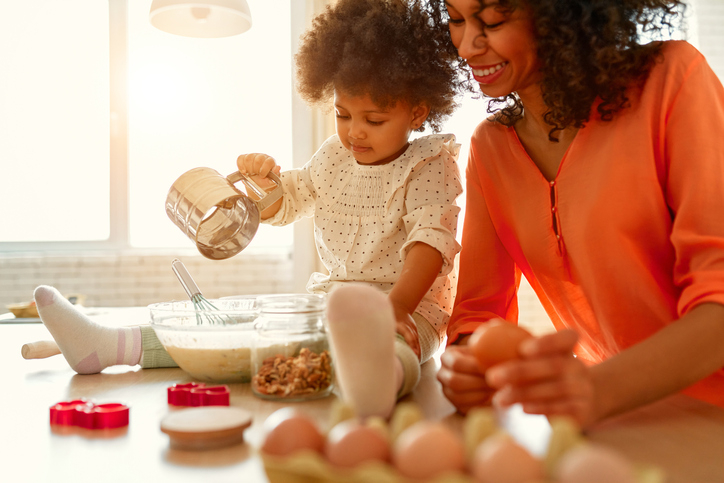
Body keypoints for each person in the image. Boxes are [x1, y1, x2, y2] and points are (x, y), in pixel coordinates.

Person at [31, 0, 466, 420]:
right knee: (246, 331)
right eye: (342, 113)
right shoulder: (335, 155)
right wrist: (266, 184)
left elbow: (431, 241)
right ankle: (108, 345)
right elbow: (291, 201)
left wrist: (396, 306)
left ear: (417, 111)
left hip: (407, 310)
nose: (355, 132)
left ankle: (375, 384)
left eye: (374, 120)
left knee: (389, 348)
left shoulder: (429, 162)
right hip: (330, 301)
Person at [429, 0, 724, 429]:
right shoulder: (491, 148)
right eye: (456, 21)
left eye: (492, 20)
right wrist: (468, 360)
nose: (468, 45)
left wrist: (598, 389)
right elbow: (478, 311)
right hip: (617, 425)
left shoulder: (672, 79)